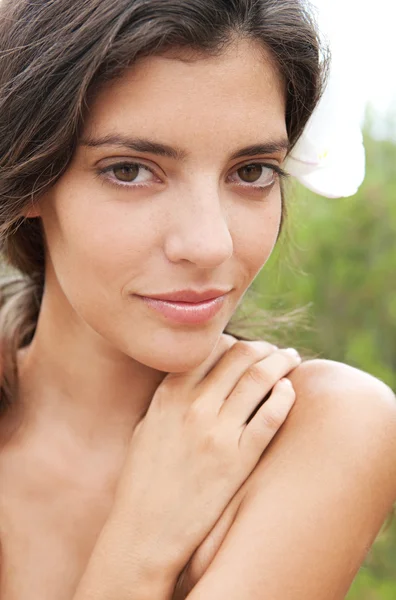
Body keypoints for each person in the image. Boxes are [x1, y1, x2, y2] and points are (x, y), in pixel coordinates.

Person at [0, 0, 395, 598]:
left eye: (253, 171)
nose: (210, 244)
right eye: (130, 170)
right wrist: (143, 540)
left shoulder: (325, 430)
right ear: (30, 176)